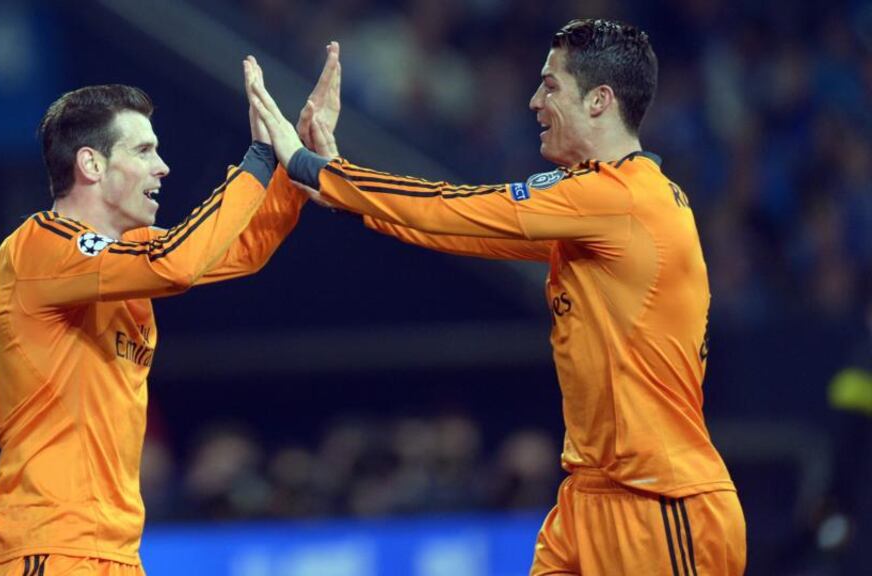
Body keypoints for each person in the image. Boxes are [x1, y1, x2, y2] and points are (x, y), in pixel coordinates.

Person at [247, 19, 746, 575]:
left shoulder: (621, 200)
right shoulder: (604, 205)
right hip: (590, 496)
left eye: (551, 86)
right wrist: (335, 186)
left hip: (659, 503)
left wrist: (312, 167)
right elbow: (456, 227)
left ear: (601, 100)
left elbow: (455, 206)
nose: (534, 101)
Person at [0, 50, 335, 575]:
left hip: (115, 554)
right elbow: (179, 264)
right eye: (144, 150)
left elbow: (240, 250)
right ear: (92, 164)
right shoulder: (38, 249)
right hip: (45, 550)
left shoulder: (129, 254)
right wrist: (258, 155)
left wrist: (291, 166)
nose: (162, 167)